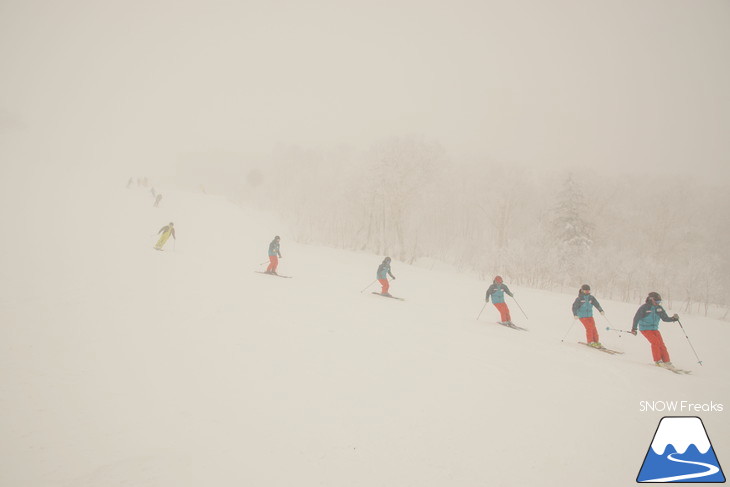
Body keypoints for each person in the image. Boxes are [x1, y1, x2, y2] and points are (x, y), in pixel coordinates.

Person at [631, 292, 680, 368]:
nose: (658, 303)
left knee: (661, 344)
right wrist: (634, 329)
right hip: (645, 328)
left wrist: (673, 318)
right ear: (651, 299)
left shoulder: (659, 308)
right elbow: (636, 318)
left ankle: (667, 361)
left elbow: (665, 318)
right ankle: (657, 361)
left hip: (654, 329)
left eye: (659, 302)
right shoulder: (644, 308)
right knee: (655, 342)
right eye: (657, 301)